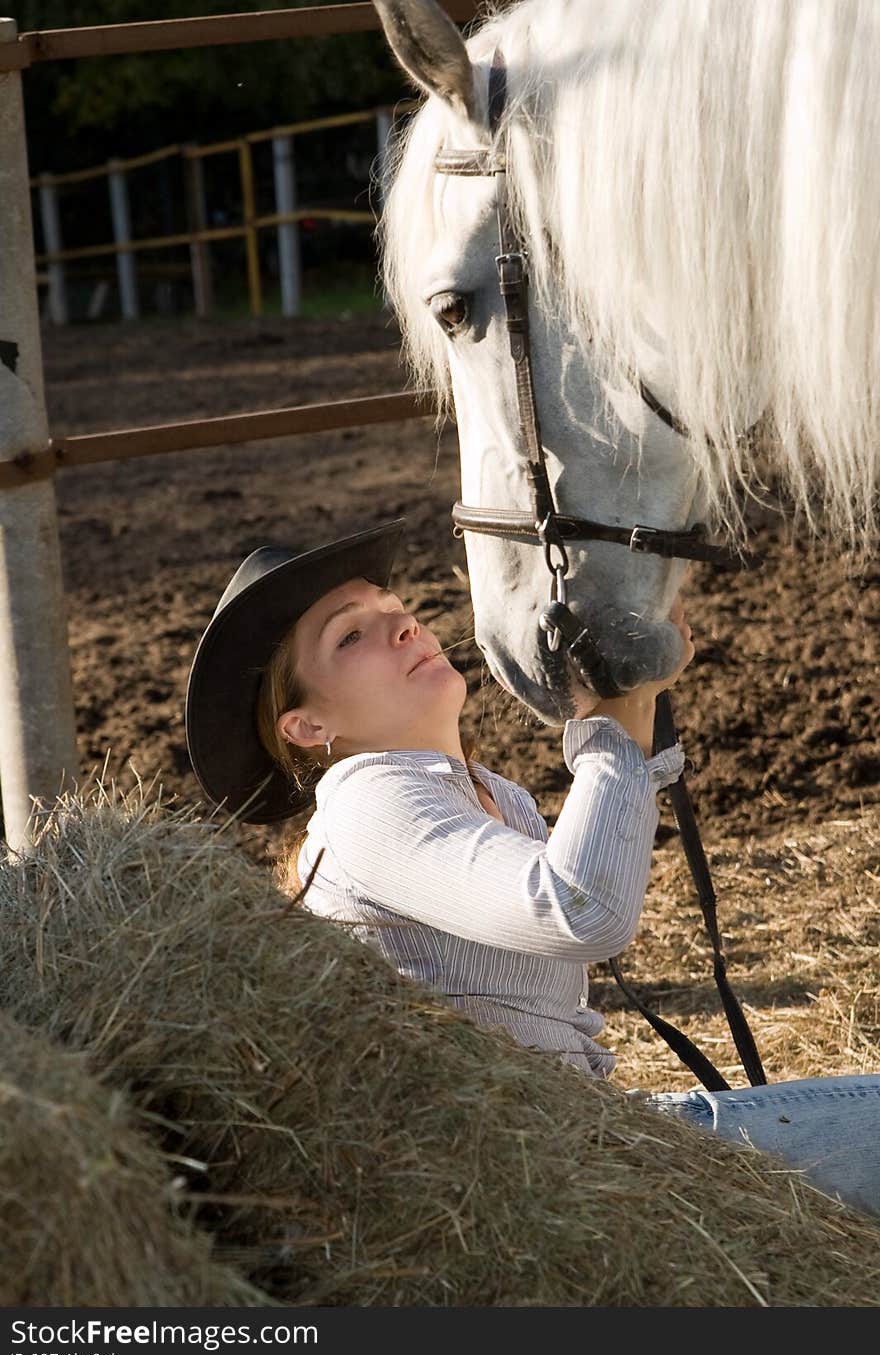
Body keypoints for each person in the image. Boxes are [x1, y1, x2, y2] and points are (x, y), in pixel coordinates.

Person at [186, 518, 880, 1216]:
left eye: (396, 610)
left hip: (574, 1149)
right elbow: (579, 906)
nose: (404, 627)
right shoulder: (366, 804)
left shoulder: (494, 795)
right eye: (350, 635)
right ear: (306, 727)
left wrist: (632, 697)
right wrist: (614, 722)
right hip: (532, 1181)